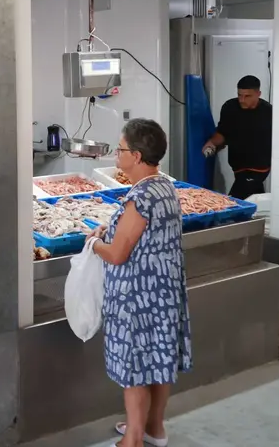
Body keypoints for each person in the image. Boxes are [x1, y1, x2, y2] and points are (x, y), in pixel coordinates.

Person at [88, 119, 192, 447]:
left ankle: (132, 438)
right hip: (164, 294)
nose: (116, 156)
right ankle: (154, 429)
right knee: (158, 360)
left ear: (135, 155)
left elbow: (118, 254)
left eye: (119, 150)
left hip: (137, 298)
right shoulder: (165, 187)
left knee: (135, 367)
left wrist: (93, 243)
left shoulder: (141, 197)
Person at [202, 75, 273, 199]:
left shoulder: (268, 112)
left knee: (234, 200)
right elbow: (222, 132)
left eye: (247, 96)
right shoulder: (230, 107)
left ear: (258, 94)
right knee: (254, 199)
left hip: (258, 167)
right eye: (240, 95)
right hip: (238, 166)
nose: (242, 99)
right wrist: (212, 143)